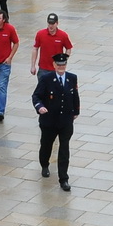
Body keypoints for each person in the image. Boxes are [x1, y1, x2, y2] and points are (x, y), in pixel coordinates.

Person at [32, 53, 80, 191]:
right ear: (54, 65)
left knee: (64, 149)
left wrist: (76, 111)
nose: (61, 67)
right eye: (58, 65)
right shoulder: (46, 79)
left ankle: (64, 179)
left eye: (63, 64)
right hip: (49, 121)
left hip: (65, 121)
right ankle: (44, 164)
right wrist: (40, 107)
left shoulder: (72, 78)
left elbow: (75, 95)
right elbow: (36, 96)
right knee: (46, 145)